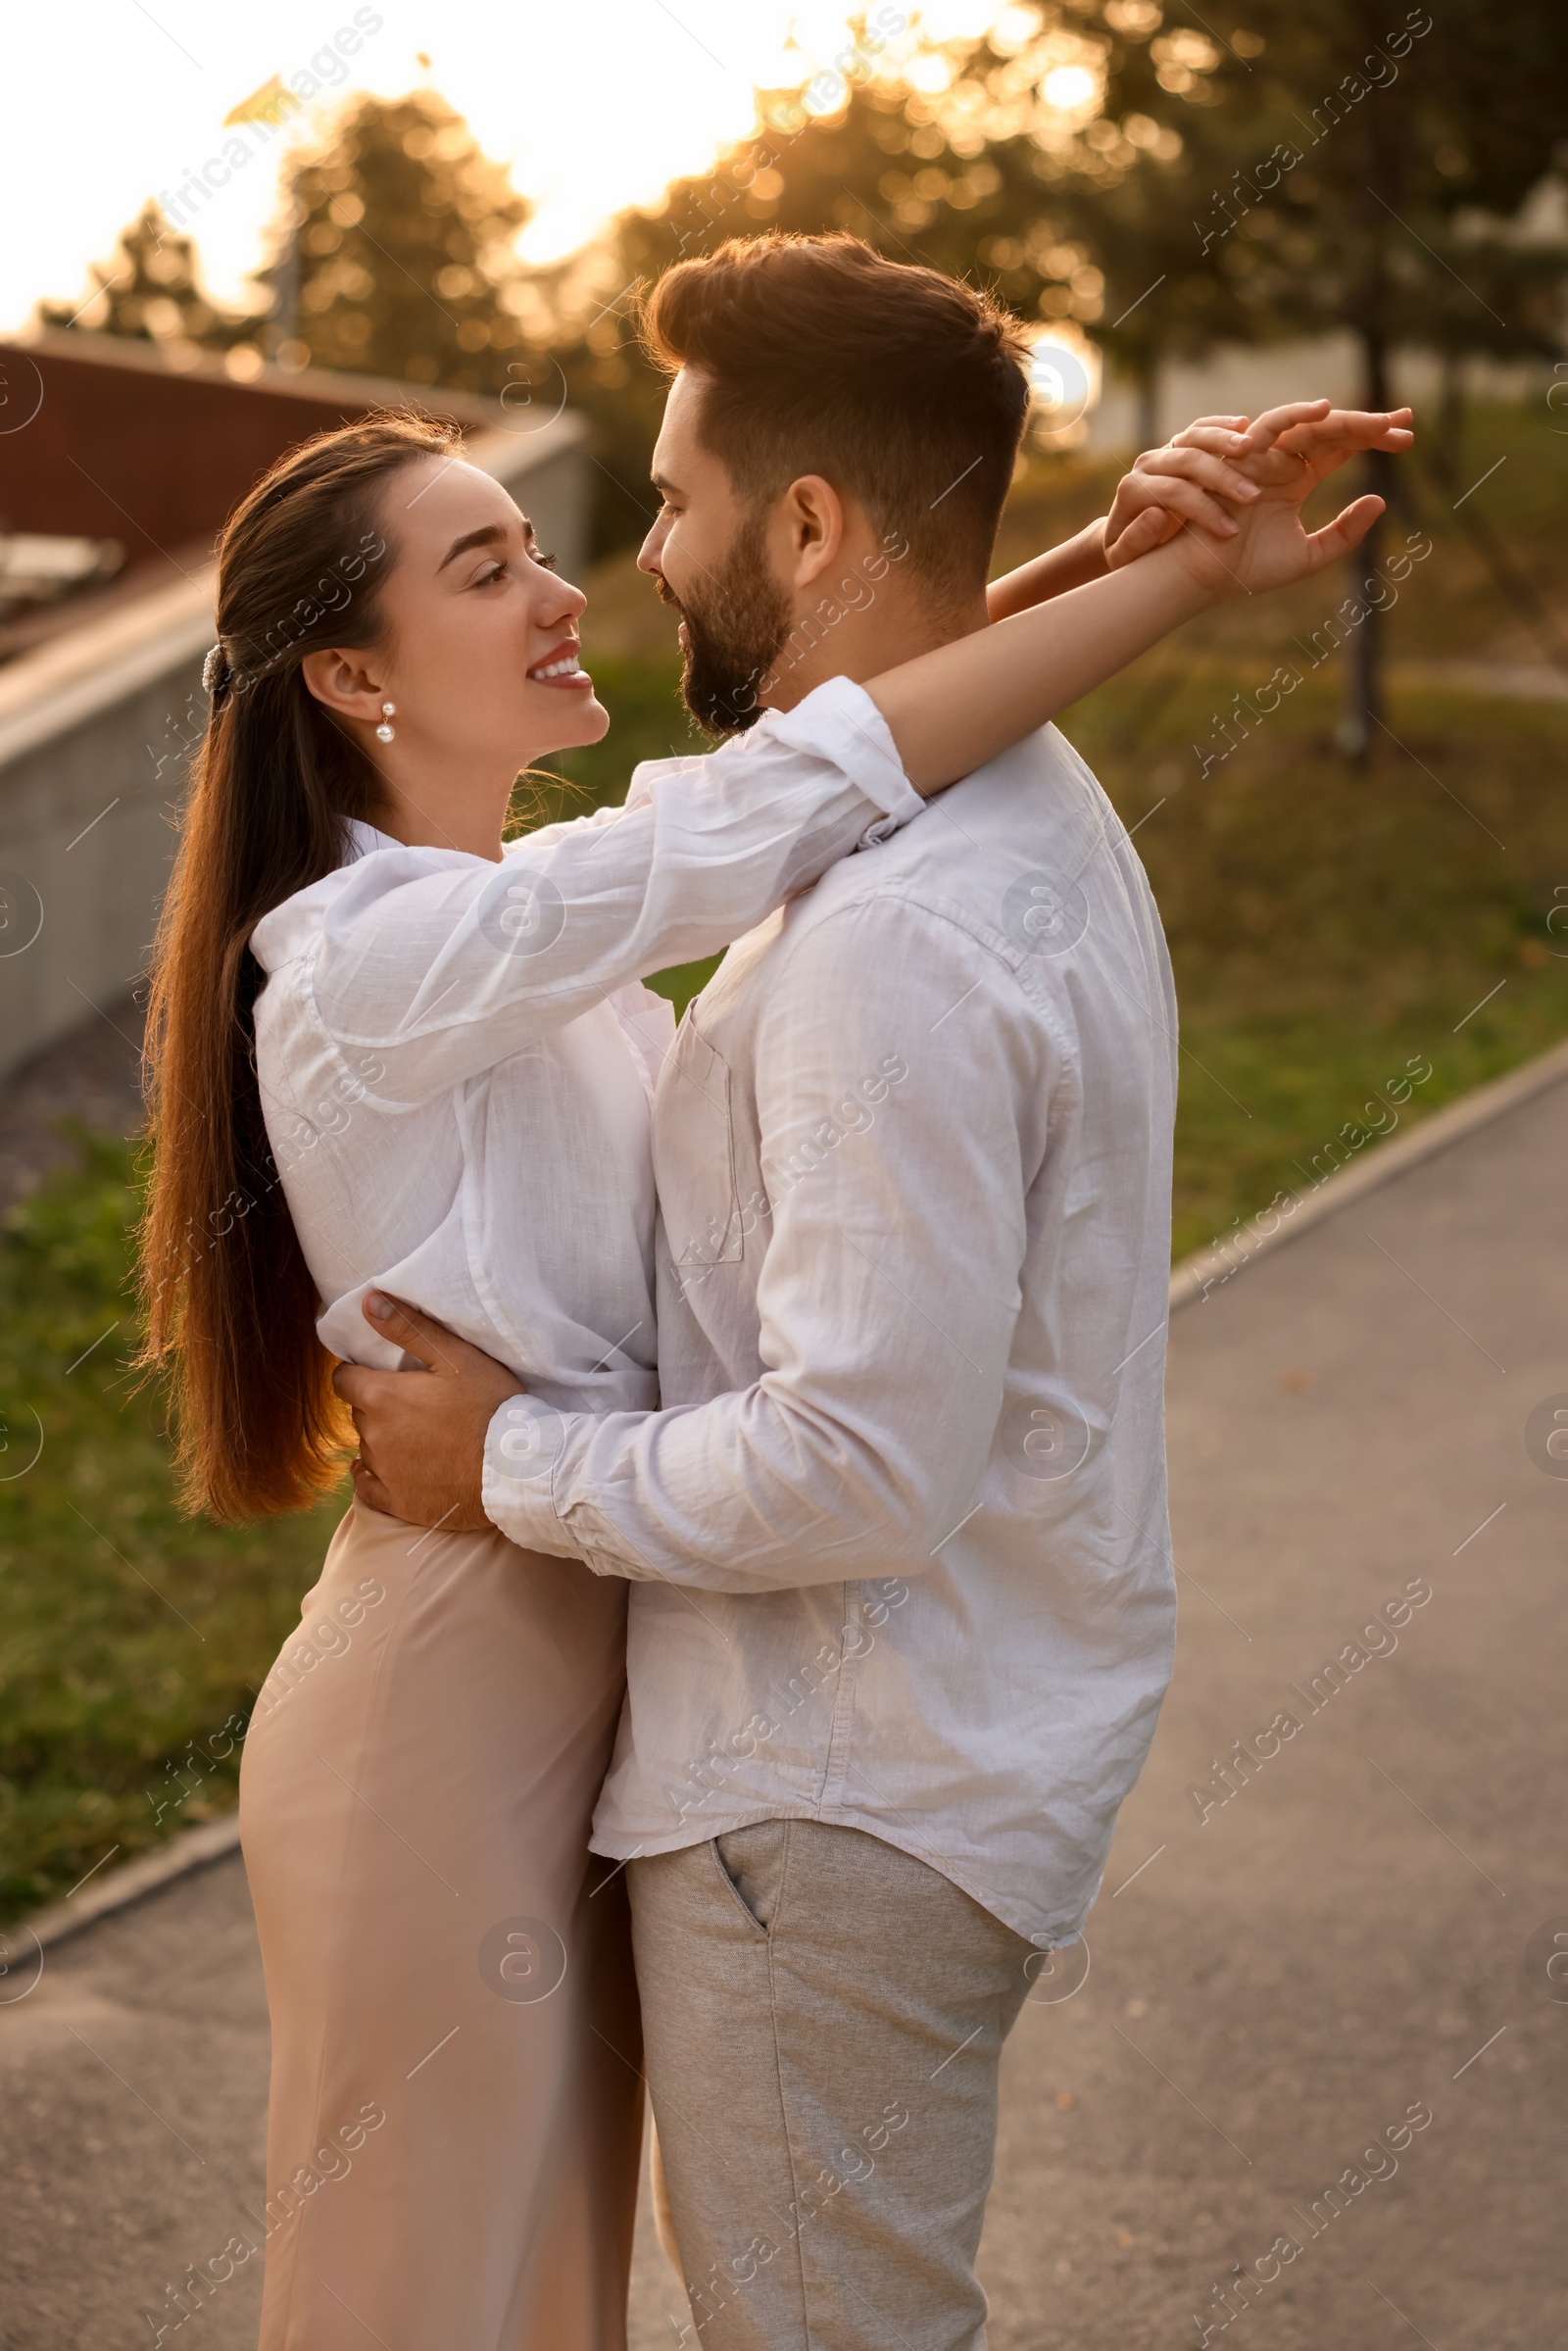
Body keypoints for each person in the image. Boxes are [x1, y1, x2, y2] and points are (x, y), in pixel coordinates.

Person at [131, 259, 1335, 2345]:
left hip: (581, 1649)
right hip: (453, 1686)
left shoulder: (533, 928)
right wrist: (1161, 586)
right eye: (488, 564)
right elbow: (805, 771)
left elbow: (836, 747)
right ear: (348, 676)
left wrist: (1088, 552)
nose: (577, 586)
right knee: (432, 2293)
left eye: (586, 531)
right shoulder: (366, 959)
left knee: (548, 2298)